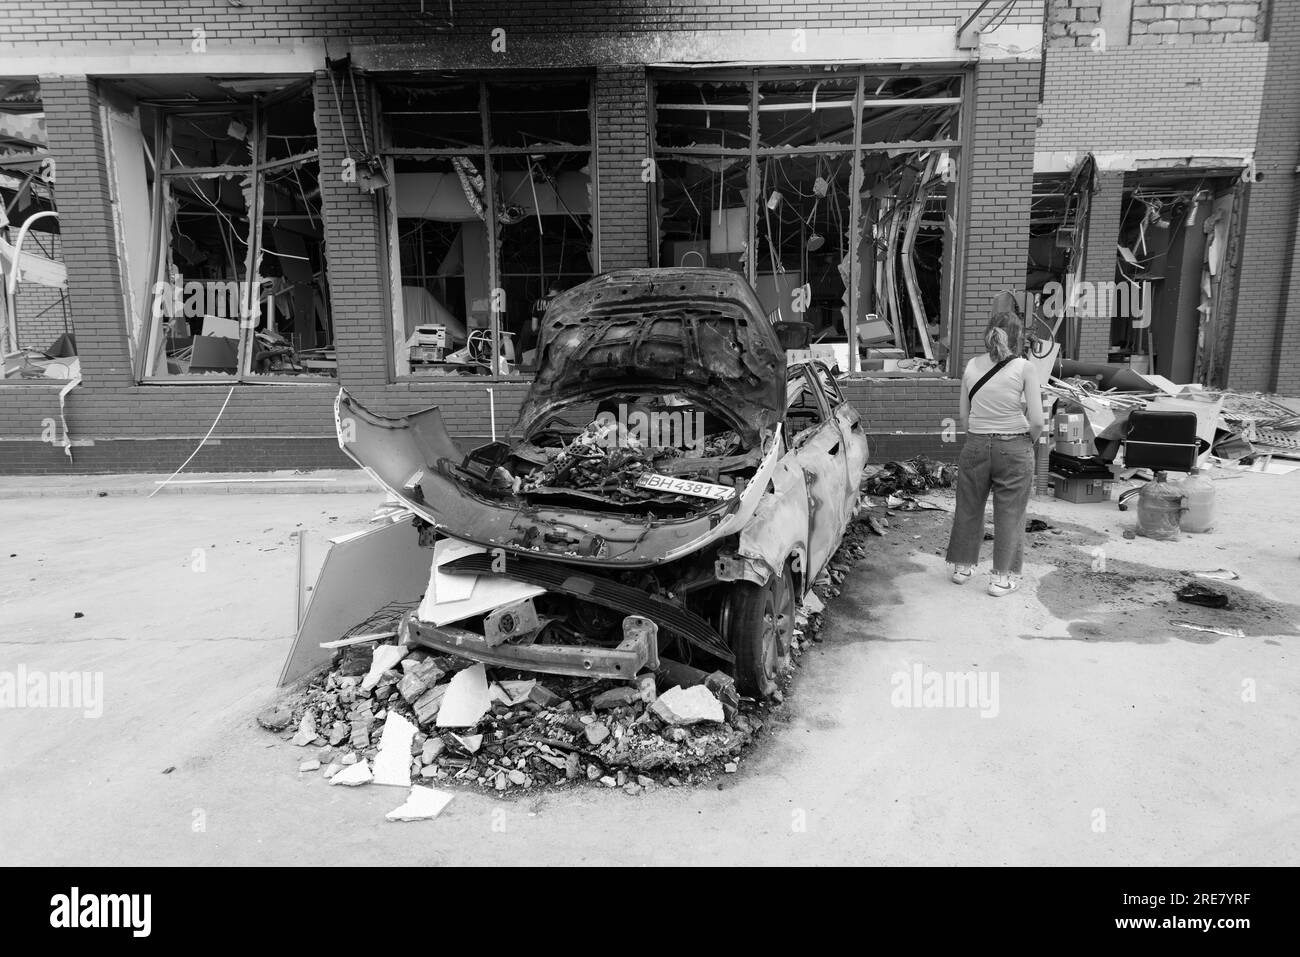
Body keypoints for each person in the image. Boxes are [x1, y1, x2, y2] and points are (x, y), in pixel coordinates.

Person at [944, 311, 1044, 597]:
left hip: (975, 444)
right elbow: (1036, 420)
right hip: (1013, 446)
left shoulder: (972, 366)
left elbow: (964, 417)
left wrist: (980, 436)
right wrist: (1027, 442)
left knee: (969, 507)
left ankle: (962, 568)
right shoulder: (1025, 368)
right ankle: (1001, 578)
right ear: (1019, 337)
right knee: (1010, 512)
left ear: (989, 333)